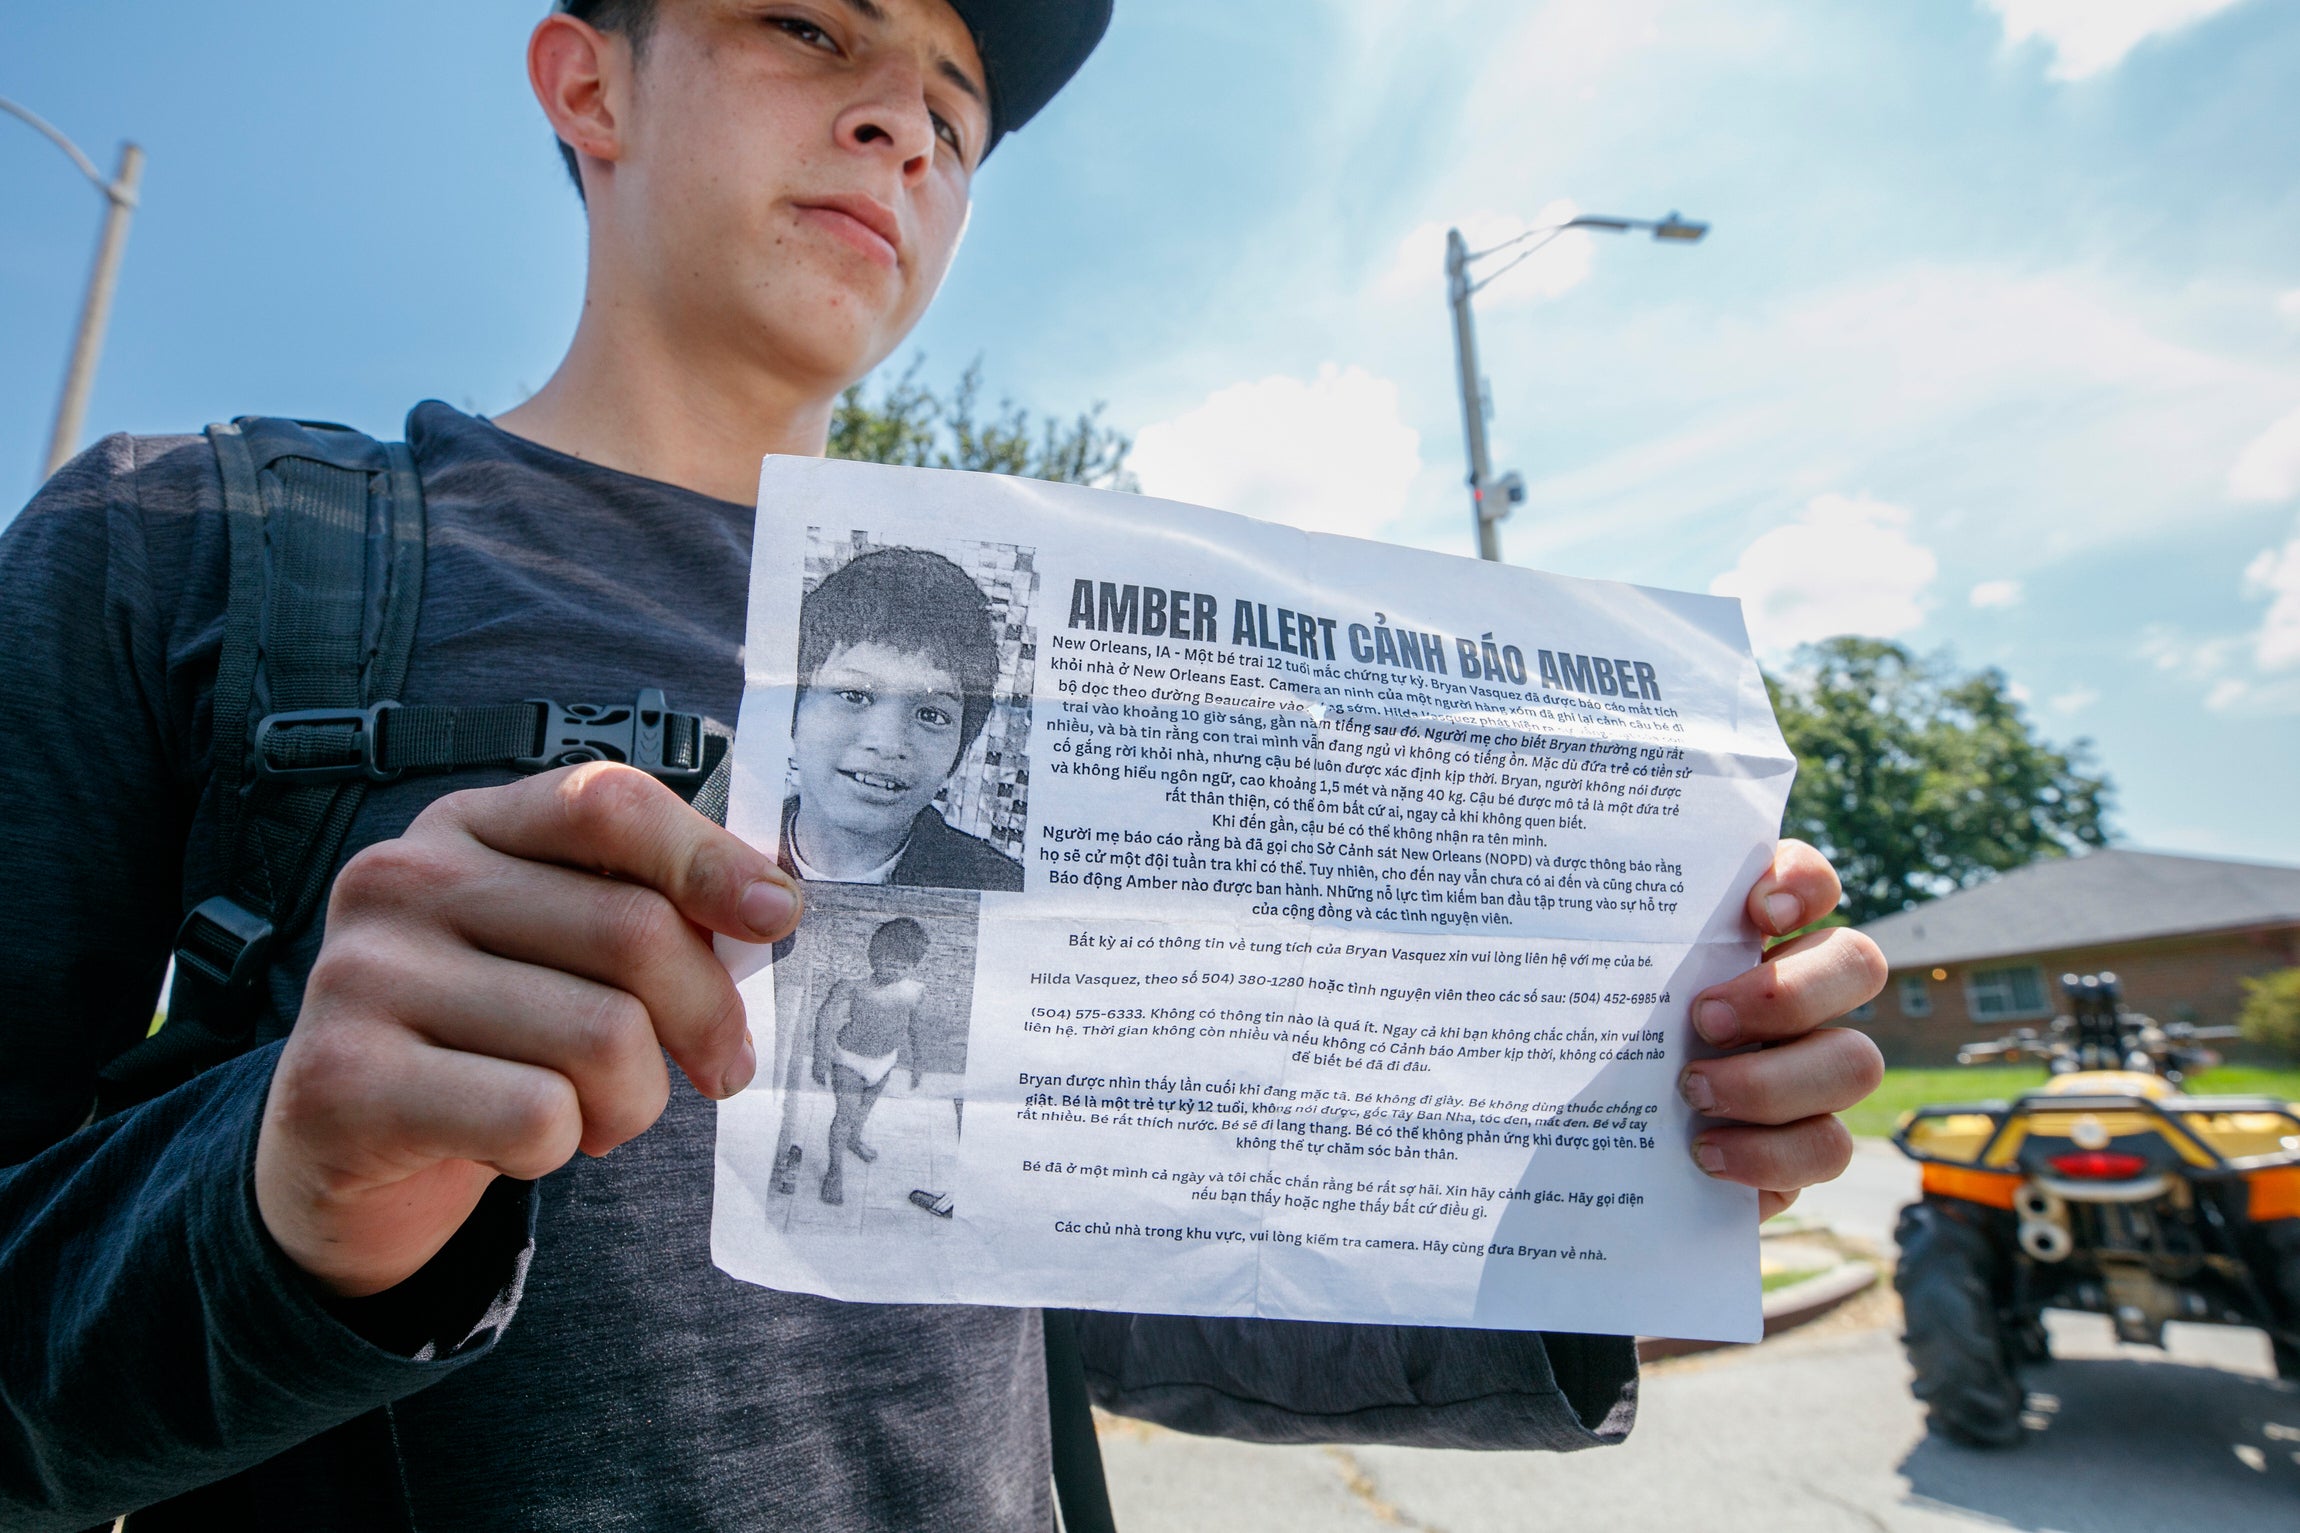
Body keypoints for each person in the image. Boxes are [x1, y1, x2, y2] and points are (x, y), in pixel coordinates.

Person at [0, 1, 1888, 1527]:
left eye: (959, 116)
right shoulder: (194, 543)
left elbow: (1108, 1292)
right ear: (589, 83)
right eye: (813, 30)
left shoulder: (1075, 669)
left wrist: (1627, 1173)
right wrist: (281, 1196)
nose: (903, 123)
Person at [786, 545, 1026, 889]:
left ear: (959, 750)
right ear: (794, 712)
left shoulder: (1003, 888)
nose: (888, 744)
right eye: (855, 695)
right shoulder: (731, 834)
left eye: (931, 714)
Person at [810, 916, 932, 1204]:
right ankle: (834, 1171)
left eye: (903, 966)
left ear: (913, 966)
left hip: (885, 1061)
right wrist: (820, 1057)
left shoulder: (915, 992)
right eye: (888, 962)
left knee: (864, 1109)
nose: (894, 970)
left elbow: (916, 1027)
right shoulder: (852, 987)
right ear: (873, 956)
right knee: (844, 1116)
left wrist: (918, 1062)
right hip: (849, 1061)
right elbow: (824, 1020)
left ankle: (854, 1140)